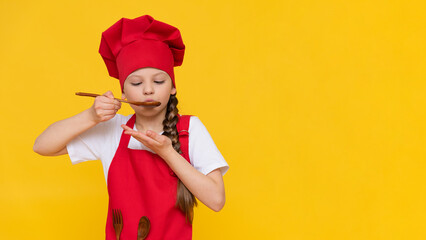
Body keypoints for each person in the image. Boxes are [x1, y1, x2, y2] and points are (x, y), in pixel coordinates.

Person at [33, 14, 229, 240]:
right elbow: (42, 146)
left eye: (158, 81)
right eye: (137, 83)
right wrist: (90, 116)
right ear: (124, 93)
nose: (148, 90)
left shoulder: (190, 129)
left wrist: (167, 152)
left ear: (173, 88)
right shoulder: (113, 129)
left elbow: (216, 200)